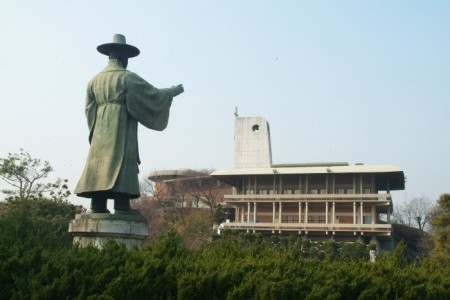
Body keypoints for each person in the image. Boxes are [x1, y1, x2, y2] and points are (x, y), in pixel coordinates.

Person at [75, 34, 184, 213]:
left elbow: (88, 110)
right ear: (125, 57)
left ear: (109, 56)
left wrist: (95, 131)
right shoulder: (127, 77)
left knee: (98, 166)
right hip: (121, 126)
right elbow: (153, 94)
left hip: (99, 132)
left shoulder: (93, 81)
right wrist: (172, 91)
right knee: (123, 159)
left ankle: (97, 204)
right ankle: (122, 204)